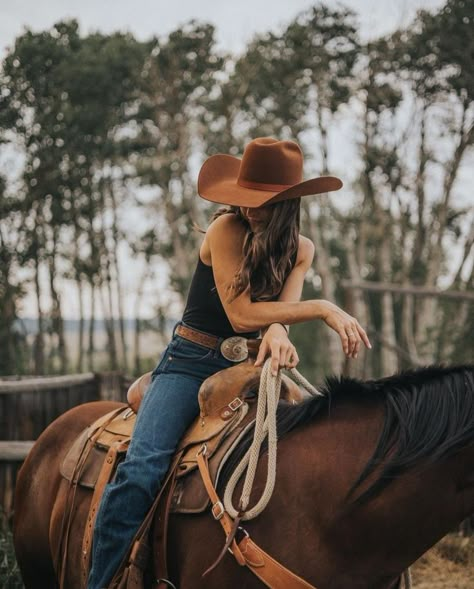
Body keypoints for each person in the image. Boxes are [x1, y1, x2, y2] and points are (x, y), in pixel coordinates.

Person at [87, 136, 371, 589]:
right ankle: (100, 582)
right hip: (190, 362)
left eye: (263, 201)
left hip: (251, 367)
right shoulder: (226, 231)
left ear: (288, 203)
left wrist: (279, 333)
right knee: (142, 470)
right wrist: (322, 308)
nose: (251, 208)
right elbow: (241, 314)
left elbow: (278, 317)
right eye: (246, 198)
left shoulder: (302, 250)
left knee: (311, 448)